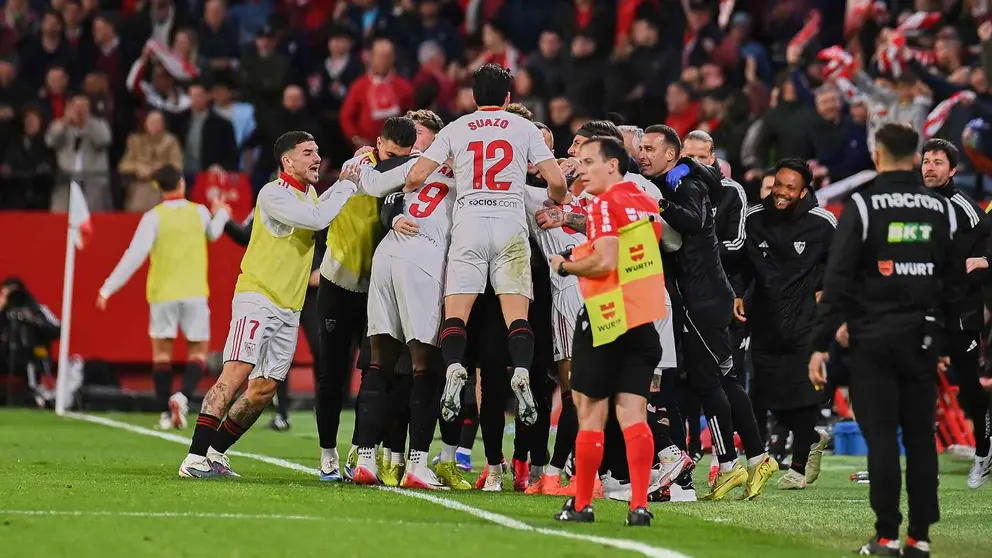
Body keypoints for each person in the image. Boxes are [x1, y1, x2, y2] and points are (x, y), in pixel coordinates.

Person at [809, 123, 956, 557]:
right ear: (915, 157)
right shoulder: (938, 207)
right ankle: (920, 537)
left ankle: (888, 536)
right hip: (922, 339)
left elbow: (837, 278)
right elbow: (951, 282)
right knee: (920, 439)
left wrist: (820, 342)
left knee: (882, 440)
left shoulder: (864, 204)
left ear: (877, 155)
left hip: (873, 339)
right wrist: (943, 341)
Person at [177, 131, 360, 478]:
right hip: (258, 299)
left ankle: (215, 454)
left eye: (318, 151)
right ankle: (194, 457)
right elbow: (320, 220)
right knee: (233, 376)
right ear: (287, 161)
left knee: (262, 390)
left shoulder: (309, 196)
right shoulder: (274, 193)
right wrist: (348, 184)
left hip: (289, 307)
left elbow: (321, 209)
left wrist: (352, 172)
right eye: (308, 152)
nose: (316, 158)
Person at [404, 63, 567, 431]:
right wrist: (557, 198)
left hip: (469, 221)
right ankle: (522, 370)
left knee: (457, 311)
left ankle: (454, 366)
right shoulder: (525, 127)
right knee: (517, 314)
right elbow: (556, 182)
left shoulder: (457, 128)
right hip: (510, 221)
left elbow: (415, 176)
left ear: (474, 96)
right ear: (509, 98)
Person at [639, 124, 775, 501]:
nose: (643, 155)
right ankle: (758, 456)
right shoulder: (681, 180)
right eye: (641, 148)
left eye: (651, 148)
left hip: (704, 297)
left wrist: (656, 204)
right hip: (705, 295)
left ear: (671, 154)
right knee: (723, 381)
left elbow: (695, 220)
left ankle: (730, 464)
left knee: (708, 383)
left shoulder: (685, 184)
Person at [549, 135, 664, 527]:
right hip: (643, 318)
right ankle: (638, 507)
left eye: (587, 161)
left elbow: (605, 260)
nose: (580, 168)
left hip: (605, 319)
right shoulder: (646, 202)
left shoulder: (603, 203)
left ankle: (581, 504)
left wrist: (565, 265)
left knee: (591, 417)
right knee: (634, 416)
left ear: (611, 165)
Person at [347, 113, 464, 491]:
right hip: (425, 262)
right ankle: (416, 464)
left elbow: (378, 188)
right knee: (423, 366)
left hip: (387, 256)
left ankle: (364, 458)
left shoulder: (412, 165)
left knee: (378, 362)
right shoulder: (466, 180)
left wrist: (362, 163)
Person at [314, 116, 417, 482]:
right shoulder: (357, 166)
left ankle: (363, 449)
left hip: (376, 285)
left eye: (401, 156)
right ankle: (328, 452)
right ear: (377, 143)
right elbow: (375, 187)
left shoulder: (409, 169)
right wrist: (414, 162)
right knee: (331, 375)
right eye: (390, 154)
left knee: (376, 372)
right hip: (338, 283)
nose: (394, 161)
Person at [97, 165, 227, 430]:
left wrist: (107, 288)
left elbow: (134, 256)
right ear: (181, 182)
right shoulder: (199, 212)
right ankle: (183, 396)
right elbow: (214, 234)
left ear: (157, 188)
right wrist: (223, 213)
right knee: (198, 352)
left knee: (162, 355)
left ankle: (166, 414)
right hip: (194, 293)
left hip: (162, 294)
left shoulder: (153, 217)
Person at [735, 158, 835, 490]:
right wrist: (737, 294)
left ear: (804, 191)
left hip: (806, 320)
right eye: (778, 184)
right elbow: (739, 263)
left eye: (790, 188)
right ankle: (812, 438)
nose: (781, 193)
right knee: (770, 395)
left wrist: (828, 294)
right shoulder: (753, 218)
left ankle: (798, 466)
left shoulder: (822, 223)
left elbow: (844, 263)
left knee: (802, 395)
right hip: (764, 318)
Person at [919, 138, 992, 489]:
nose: (929, 167)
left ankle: (983, 448)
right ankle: (925, 459)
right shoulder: (913, 203)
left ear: (952, 170)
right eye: (926, 161)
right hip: (924, 309)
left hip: (960, 311)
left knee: (967, 387)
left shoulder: (967, 208)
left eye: (937, 162)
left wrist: (984, 261)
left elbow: (987, 250)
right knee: (920, 382)